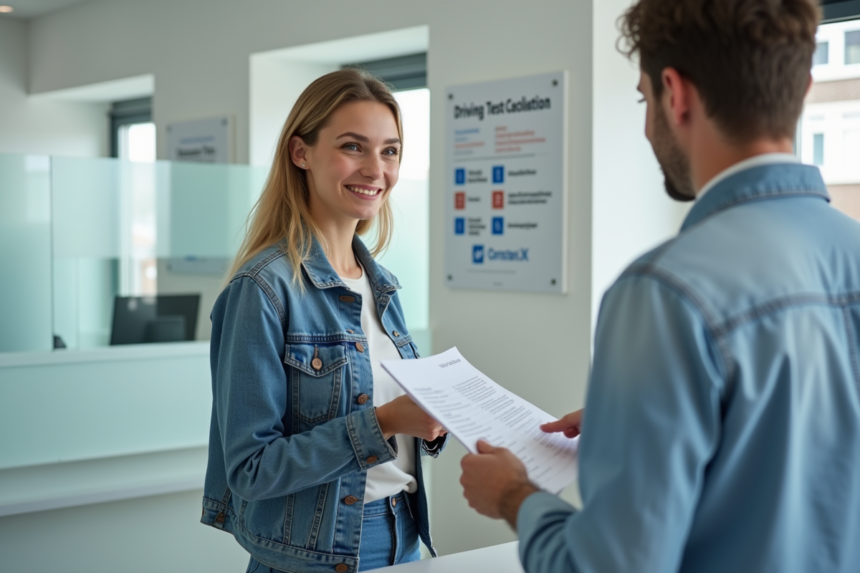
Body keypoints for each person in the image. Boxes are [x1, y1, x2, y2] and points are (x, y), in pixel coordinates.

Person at [460, 1, 860, 571]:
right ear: (803, 90)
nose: (649, 124)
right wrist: (660, 414)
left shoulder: (664, 291)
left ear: (675, 94)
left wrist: (512, 496)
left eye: (644, 100)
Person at [201, 69, 447, 573]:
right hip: (316, 556)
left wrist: (432, 421)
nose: (376, 169)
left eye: (390, 150)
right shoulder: (262, 290)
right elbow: (250, 470)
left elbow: (394, 427)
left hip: (404, 536)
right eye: (353, 147)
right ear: (301, 152)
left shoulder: (382, 286)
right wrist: (384, 422)